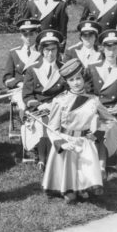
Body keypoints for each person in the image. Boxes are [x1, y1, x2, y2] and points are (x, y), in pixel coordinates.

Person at [42, 58, 117, 202]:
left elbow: (109, 120)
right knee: (68, 178)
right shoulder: (60, 100)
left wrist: (97, 134)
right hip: (66, 141)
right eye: (71, 80)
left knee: (88, 170)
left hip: (85, 142)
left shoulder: (93, 100)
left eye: (78, 78)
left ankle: (84, 186)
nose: (76, 82)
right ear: (67, 82)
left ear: (83, 78)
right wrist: (61, 143)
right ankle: (67, 189)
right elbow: (52, 128)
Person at [85, 30, 117, 170]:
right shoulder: (92, 68)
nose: (111, 52)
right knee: (93, 126)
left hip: (114, 113)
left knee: (108, 128)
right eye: (108, 48)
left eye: (115, 48)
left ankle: (102, 165)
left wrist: (116, 108)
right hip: (94, 111)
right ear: (102, 49)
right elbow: (87, 93)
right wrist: (95, 108)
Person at [21, 30, 67, 171]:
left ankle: (51, 158)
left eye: (53, 50)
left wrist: (55, 104)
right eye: (47, 50)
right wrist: (37, 104)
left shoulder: (64, 68)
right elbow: (27, 95)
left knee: (55, 123)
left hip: (59, 108)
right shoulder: (32, 69)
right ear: (41, 50)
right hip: (38, 109)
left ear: (58, 50)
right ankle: (42, 158)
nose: (50, 54)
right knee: (42, 124)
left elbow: (69, 92)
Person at [2, 19, 41, 111]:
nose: (28, 38)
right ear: (21, 36)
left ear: (36, 35)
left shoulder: (42, 53)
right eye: (25, 35)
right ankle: (25, 123)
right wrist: (19, 84)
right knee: (23, 104)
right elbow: (7, 78)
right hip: (20, 89)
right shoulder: (14, 53)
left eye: (31, 34)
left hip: (38, 89)